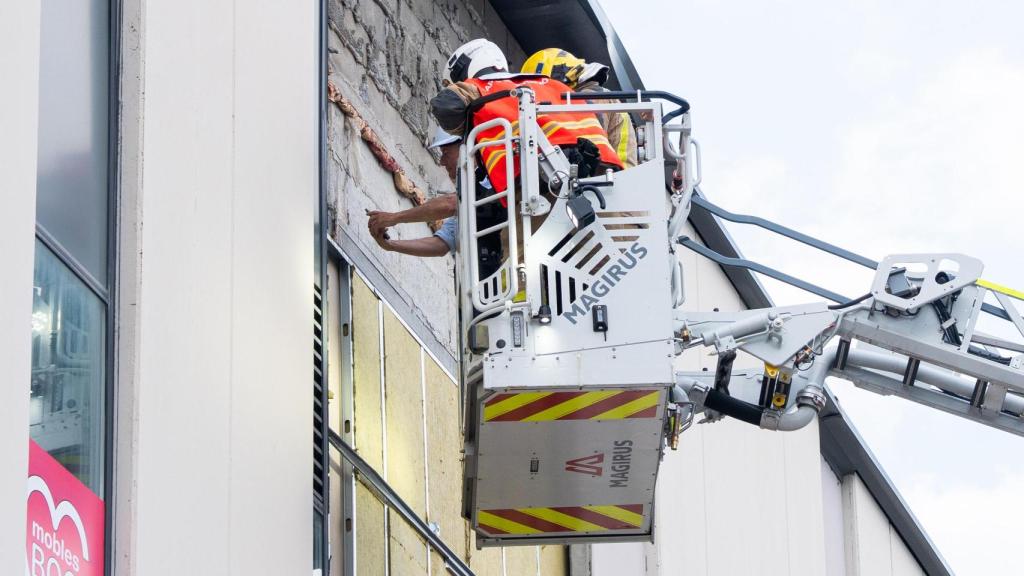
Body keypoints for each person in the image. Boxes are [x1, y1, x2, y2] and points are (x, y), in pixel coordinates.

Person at [429, 39, 623, 197]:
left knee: (514, 240)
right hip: (602, 175)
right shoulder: (554, 86)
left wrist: (471, 119)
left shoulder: (484, 86)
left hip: (539, 188)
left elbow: (445, 105)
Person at [520, 48, 638, 169]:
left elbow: (587, 149)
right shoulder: (597, 94)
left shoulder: (590, 96)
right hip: (616, 176)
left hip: (612, 177)